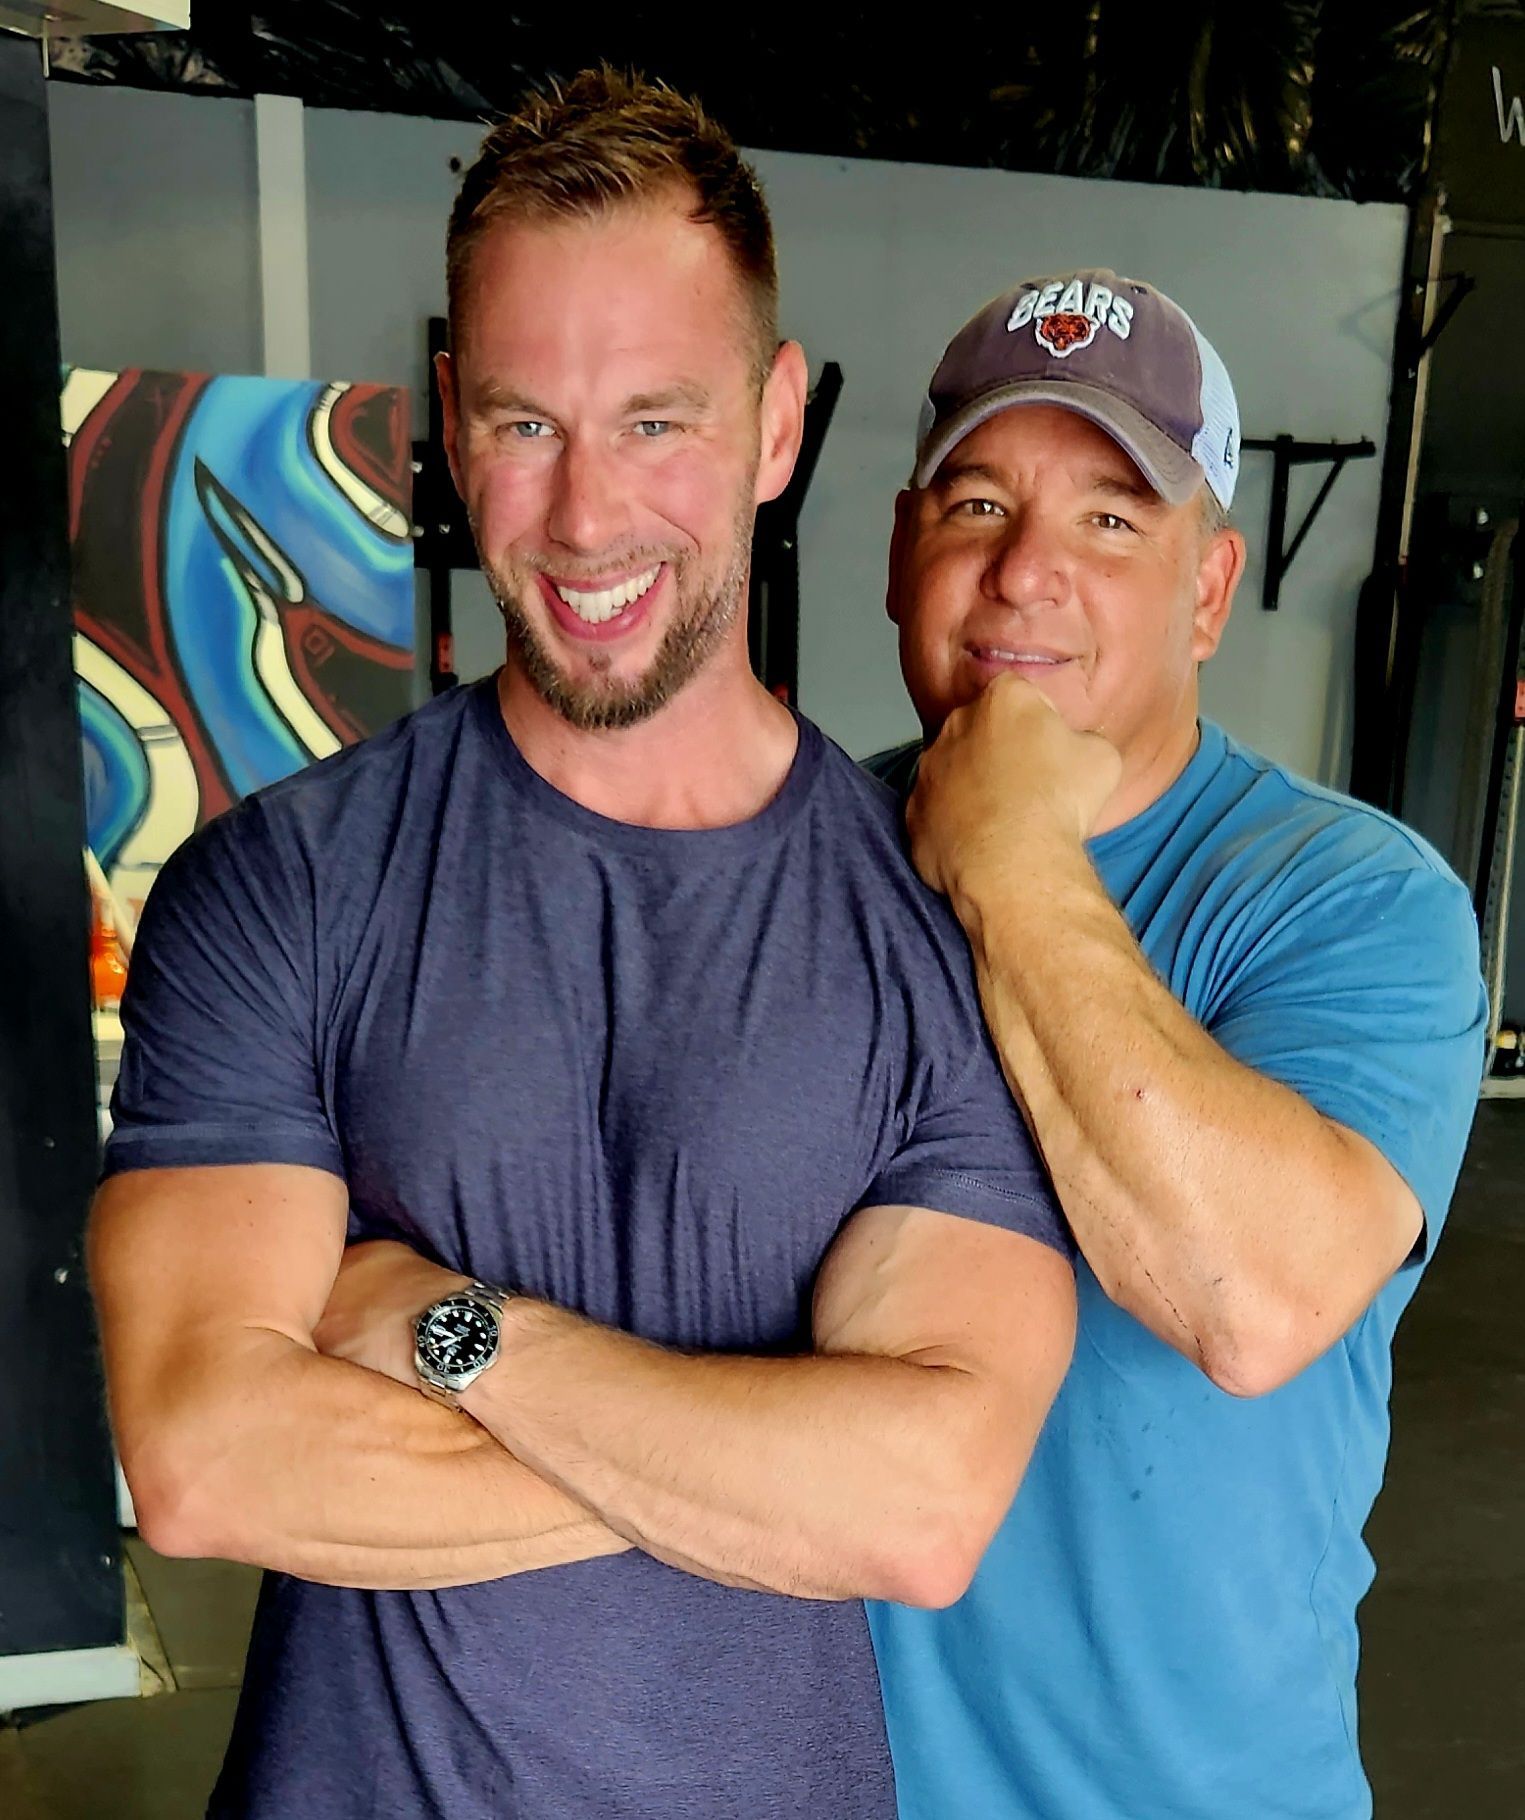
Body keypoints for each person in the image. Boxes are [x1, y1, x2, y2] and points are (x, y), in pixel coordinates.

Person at [87, 72, 1076, 1820]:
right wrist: (762, 1457)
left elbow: (917, 1511)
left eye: (655, 423)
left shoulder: (937, 931)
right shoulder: (281, 889)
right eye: (529, 424)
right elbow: (206, 1465)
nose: (585, 516)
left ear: (776, 427)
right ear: (454, 421)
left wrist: (439, 1325)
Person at [863, 268, 1489, 1819]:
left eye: (1108, 521)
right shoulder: (784, 857)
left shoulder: (1346, 900)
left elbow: (1252, 1301)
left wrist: (1011, 854)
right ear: (900, 552)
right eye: (976, 505)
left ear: (1207, 591)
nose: (1023, 574)